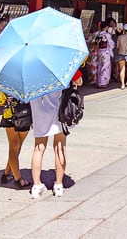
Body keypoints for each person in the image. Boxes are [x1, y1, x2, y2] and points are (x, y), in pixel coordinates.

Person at [30, 69, 83, 198]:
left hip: (38, 110)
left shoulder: (32, 68)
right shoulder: (63, 63)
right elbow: (79, 81)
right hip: (58, 109)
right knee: (60, 146)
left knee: (39, 147)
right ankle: (58, 185)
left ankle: (36, 186)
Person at [0, 90, 31, 189]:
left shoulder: (4, 84)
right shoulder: (27, 83)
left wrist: (8, 100)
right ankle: (18, 178)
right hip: (24, 116)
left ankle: (7, 174)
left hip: (9, 116)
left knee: (13, 147)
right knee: (17, 146)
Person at [95, 19, 115, 88]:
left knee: (100, 66)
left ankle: (98, 81)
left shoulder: (98, 34)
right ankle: (103, 82)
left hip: (99, 51)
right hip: (105, 52)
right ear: (106, 27)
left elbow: (96, 42)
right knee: (105, 67)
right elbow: (111, 44)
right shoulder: (107, 35)